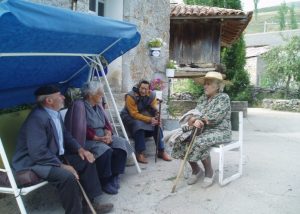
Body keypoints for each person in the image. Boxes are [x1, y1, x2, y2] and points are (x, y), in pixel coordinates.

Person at [12, 85, 113, 214]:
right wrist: (62, 166)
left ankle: (89, 205)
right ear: (49, 101)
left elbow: (66, 135)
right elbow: (37, 152)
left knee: (87, 160)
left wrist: (80, 149)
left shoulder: (54, 113)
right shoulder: (37, 119)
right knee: (67, 176)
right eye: (59, 95)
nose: (63, 97)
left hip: (52, 156)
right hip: (34, 162)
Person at [65, 81, 132, 195]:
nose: (102, 94)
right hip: (87, 140)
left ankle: (114, 175)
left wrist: (108, 133)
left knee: (121, 144)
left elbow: (106, 123)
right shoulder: (79, 106)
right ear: (90, 94)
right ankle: (104, 180)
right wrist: (99, 138)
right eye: (99, 92)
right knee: (104, 151)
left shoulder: (98, 105)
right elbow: (81, 128)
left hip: (103, 136)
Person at [171, 71, 232, 188]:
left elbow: (216, 116)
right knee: (183, 139)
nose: (205, 86)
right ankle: (196, 169)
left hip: (221, 131)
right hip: (204, 130)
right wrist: (193, 119)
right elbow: (196, 112)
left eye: (208, 84)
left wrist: (201, 120)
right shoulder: (203, 98)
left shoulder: (223, 98)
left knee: (199, 141)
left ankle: (209, 172)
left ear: (218, 86)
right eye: (205, 83)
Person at [120, 79, 171, 164]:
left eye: (145, 89)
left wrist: (157, 114)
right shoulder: (130, 96)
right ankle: (140, 152)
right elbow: (134, 114)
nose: (143, 91)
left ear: (149, 89)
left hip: (143, 115)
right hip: (129, 116)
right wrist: (149, 119)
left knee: (157, 125)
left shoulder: (152, 95)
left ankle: (161, 151)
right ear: (139, 87)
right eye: (142, 88)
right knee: (138, 125)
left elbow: (153, 107)